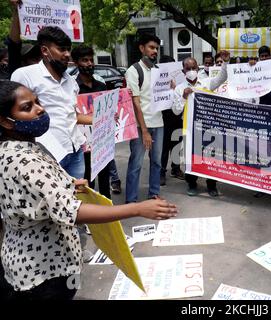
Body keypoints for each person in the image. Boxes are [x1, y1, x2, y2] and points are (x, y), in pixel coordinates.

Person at [0, 81, 178, 300]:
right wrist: (137, 208)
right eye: (27, 107)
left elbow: (30, 192)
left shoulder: (19, 147)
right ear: (5, 121)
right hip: (43, 272)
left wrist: (66, 184)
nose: (40, 109)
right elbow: (71, 211)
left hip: (34, 264)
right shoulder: (24, 160)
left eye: (37, 102)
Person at [11, 26, 90, 179]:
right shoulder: (25, 76)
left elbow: (71, 115)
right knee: (51, 201)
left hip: (75, 151)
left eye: (68, 49)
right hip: (47, 155)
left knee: (77, 199)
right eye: (62, 49)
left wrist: (99, 118)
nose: (67, 54)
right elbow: (15, 117)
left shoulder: (71, 81)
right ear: (45, 51)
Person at [172, 52, 230, 197]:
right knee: (191, 158)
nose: (191, 71)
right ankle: (192, 183)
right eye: (188, 68)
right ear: (183, 71)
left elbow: (222, 78)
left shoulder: (207, 83)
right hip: (189, 129)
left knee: (211, 157)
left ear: (198, 68)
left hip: (207, 127)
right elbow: (175, 111)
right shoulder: (179, 89)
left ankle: (212, 185)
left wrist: (225, 62)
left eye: (194, 67)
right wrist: (184, 97)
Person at [125, 33, 164, 203]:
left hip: (159, 123)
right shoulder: (134, 71)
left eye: (157, 48)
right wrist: (145, 131)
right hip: (141, 127)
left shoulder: (159, 71)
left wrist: (171, 88)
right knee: (136, 164)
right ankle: (131, 200)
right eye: (151, 47)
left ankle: (153, 193)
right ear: (142, 49)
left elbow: (164, 97)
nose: (155, 51)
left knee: (157, 162)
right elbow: (136, 103)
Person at [71, 45, 112, 199]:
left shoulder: (101, 86)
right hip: (83, 144)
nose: (89, 63)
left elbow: (108, 111)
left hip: (103, 141)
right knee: (88, 181)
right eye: (84, 60)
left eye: (91, 60)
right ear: (76, 63)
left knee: (104, 179)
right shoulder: (73, 89)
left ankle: (108, 213)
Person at [159, 55, 184, 186]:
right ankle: (161, 172)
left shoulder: (179, 81)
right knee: (163, 147)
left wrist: (175, 89)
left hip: (177, 118)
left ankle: (176, 168)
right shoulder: (157, 83)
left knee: (177, 145)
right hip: (163, 120)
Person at [6, 0, 41, 77]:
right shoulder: (17, 74)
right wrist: (17, 10)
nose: (38, 63)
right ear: (23, 62)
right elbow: (13, 43)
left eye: (39, 58)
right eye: (34, 59)